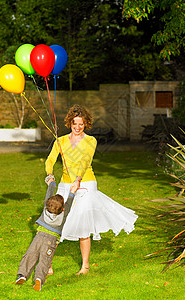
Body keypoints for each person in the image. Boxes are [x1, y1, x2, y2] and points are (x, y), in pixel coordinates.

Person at [45, 104, 138, 275]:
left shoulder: (90, 141)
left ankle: (85, 266)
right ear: (70, 123)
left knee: (82, 223)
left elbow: (85, 160)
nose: (78, 127)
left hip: (86, 184)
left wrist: (78, 179)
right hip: (65, 184)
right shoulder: (61, 141)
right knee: (56, 223)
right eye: (75, 124)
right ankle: (47, 264)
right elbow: (50, 159)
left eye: (81, 124)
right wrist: (50, 174)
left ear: (85, 124)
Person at [15, 178, 78, 291]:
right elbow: (69, 202)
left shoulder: (45, 209)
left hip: (39, 237)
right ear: (63, 208)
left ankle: (23, 275)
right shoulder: (64, 214)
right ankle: (39, 279)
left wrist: (51, 183)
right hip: (51, 240)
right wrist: (73, 191)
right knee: (45, 261)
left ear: (48, 204)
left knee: (30, 255)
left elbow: (49, 193)